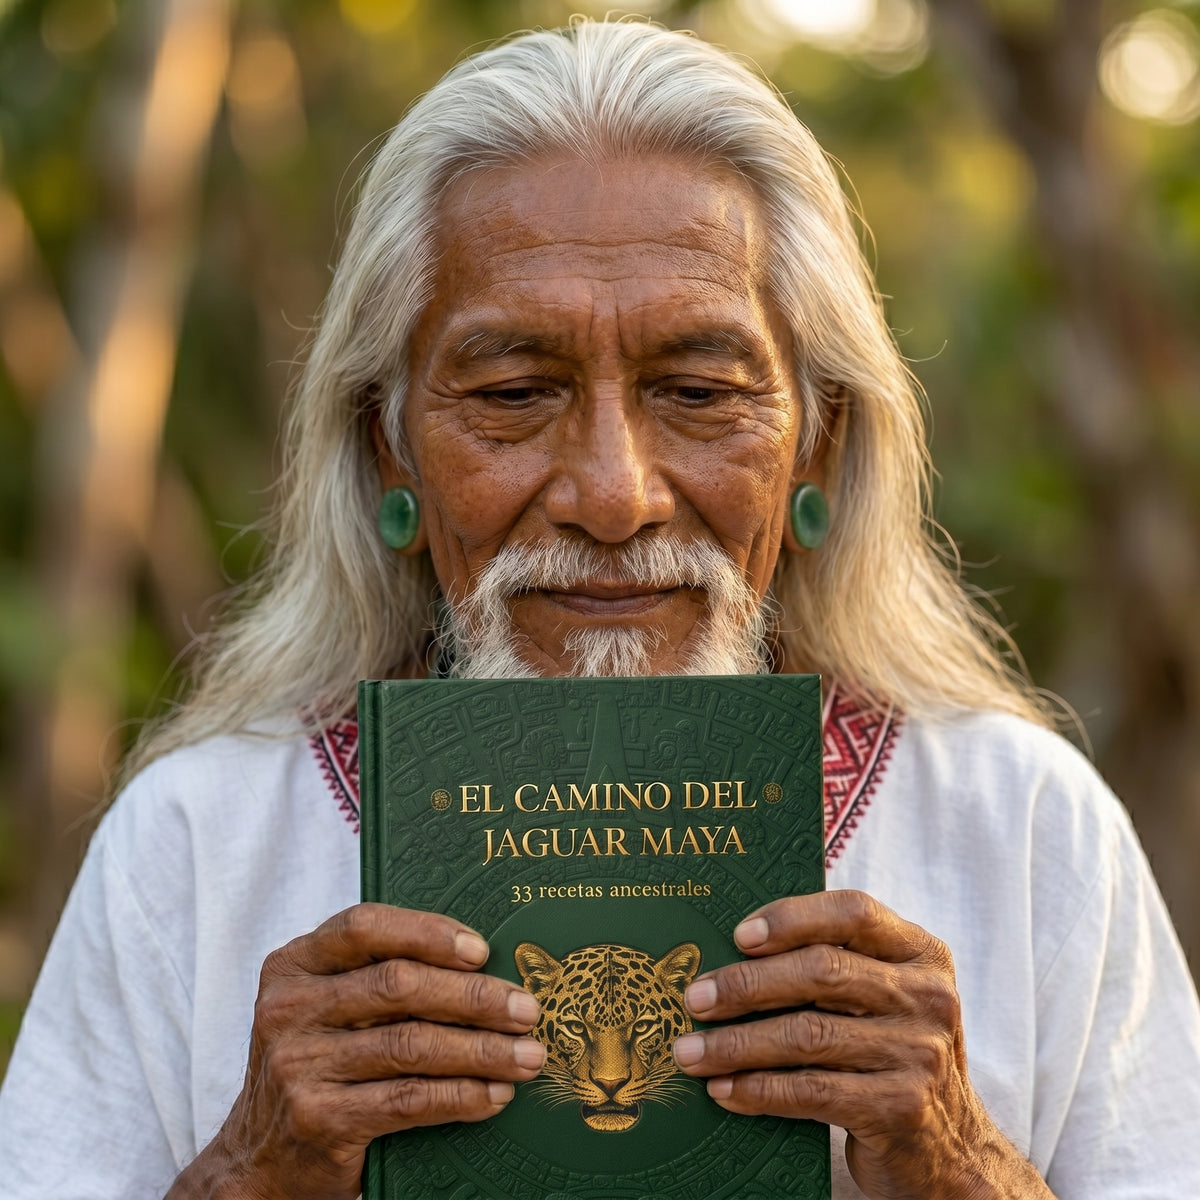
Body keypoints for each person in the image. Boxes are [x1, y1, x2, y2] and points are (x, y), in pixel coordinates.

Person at [2, 18, 1198, 1200]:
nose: (615, 496)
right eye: (515, 391)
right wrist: (255, 1171)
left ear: (819, 442)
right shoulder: (202, 842)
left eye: (698, 391)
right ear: (390, 450)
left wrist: (956, 1162)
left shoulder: (1017, 828)